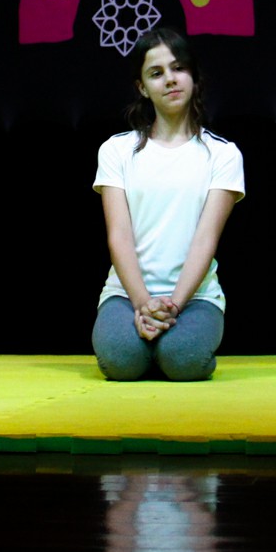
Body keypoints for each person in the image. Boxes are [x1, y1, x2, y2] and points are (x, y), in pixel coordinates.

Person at [91, 27, 244, 381]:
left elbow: (205, 240)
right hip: (126, 295)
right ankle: (146, 345)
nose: (170, 80)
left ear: (193, 77)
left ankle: (168, 347)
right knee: (121, 362)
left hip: (196, 298)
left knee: (183, 359)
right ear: (143, 87)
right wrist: (142, 303)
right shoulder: (116, 150)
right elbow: (119, 236)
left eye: (178, 68)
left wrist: (173, 304)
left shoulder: (223, 154)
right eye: (156, 73)